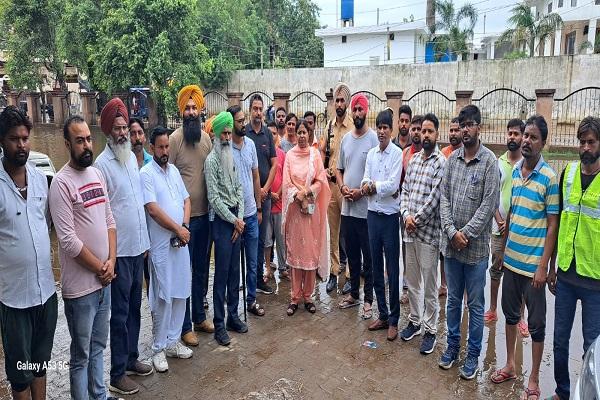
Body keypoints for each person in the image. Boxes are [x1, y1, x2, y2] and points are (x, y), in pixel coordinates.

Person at [49, 116, 118, 400]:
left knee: (100, 346)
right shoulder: (61, 184)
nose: (87, 145)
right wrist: (101, 268)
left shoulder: (97, 174)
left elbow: (110, 220)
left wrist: (111, 261)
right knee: (81, 355)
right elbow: (67, 241)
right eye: (80, 141)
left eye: (89, 139)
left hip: (105, 282)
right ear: (67, 144)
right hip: (80, 290)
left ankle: (99, 396)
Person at [491, 115, 559, 400]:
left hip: (533, 270)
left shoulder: (550, 178)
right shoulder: (516, 172)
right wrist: (502, 253)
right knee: (509, 316)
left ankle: (533, 379)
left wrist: (544, 266)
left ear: (543, 143)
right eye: (525, 136)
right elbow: (511, 216)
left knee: (536, 325)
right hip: (511, 262)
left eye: (533, 137)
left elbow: (553, 224)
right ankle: (510, 364)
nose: (527, 141)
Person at [95, 98, 153, 395]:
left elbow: (136, 204)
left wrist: (144, 243)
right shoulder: (100, 166)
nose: (122, 133)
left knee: (134, 308)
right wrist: (109, 256)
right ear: (107, 131)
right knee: (118, 315)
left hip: (137, 248)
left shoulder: (130, 157)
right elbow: (102, 217)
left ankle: (131, 359)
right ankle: (117, 374)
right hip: (118, 254)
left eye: (125, 128)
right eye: (117, 128)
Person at [438, 105, 499, 380]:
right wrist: (452, 233)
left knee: (475, 304)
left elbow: (488, 206)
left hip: (474, 252)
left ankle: (473, 354)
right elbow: (444, 199)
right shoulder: (451, 161)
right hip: (452, 248)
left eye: (470, 124)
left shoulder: (489, 162)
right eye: (462, 125)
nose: (465, 129)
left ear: (479, 127)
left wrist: (466, 235)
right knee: (452, 300)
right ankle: (452, 346)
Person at [0, 106, 57, 400]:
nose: (21, 145)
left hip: (45, 292)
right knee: (20, 374)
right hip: (13, 298)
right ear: (2, 140)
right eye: (14, 138)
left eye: (25, 138)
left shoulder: (39, 179)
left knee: (39, 365)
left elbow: (46, 224)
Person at [548, 116, 600, 400]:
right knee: (559, 342)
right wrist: (553, 265)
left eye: (591, 142)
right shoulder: (567, 174)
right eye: (582, 142)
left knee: (592, 348)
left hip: (595, 279)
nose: (585, 148)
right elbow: (557, 224)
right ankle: (563, 391)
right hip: (566, 273)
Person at [141, 126, 193, 373]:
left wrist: (184, 226)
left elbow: (186, 200)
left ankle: (173, 341)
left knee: (181, 291)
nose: (164, 151)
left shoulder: (173, 171)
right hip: (161, 246)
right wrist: (177, 229)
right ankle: (158, 348)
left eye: (166, 146)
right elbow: (152, 208)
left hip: (179, 243)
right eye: (160, 147)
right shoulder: (146, 174)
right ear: (152, 148)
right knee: (162, 296)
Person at [168, 85, 214, 348]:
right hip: (183, 223)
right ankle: (184, 326)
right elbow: (167, 178)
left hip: (205, 217)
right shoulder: (174, 140)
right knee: (183, 273)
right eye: (187, 107)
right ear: (181, 111)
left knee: (201, 270)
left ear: (200, 110)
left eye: (195, 107)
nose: (191, 111)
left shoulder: (206, 140)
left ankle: (199, 316)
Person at [400, 113, 446, 354]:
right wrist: (406, 214)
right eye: (422, 131)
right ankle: (415, 321)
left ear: (437, 134)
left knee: (430, 285)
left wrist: (414, 220)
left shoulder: (441, 163)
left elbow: (435, 199)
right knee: (412, 281)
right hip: (409, 233)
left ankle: (430, 329)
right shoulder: (415, 160)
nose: (424, 135)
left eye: (429, 131)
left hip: (427, 235)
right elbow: (405, 190)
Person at [484, 119, 529, 339]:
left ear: (523, 136)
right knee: (496, 268)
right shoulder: (498, 162)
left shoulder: (526, 164)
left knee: (519, 274)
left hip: (519, 229)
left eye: (516, 134)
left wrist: (511, 223)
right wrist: (500, 219)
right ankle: (493, 310)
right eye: (509, 133)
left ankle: (521, 318)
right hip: (498, 227)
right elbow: (491, 194)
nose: (512, 137)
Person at [204, 111, 246, 347]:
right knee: (220, 275)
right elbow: (214, 198)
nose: (228, 137)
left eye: (230, 133)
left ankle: (233, 317)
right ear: (216, 134)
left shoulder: (232, 157)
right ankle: (219, 324)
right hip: (221, 223)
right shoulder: (211, 161)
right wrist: (233, 221)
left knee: (234, 273)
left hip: (235, 221)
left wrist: (239, 220)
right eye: (224, 133)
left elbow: (239, 189)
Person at [360, 110, 402, 340]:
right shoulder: (372, 154)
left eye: (386, 127)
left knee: (392, 270)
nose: (382, 131)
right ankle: (383, 314)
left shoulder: (396, 154)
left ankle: (394, 319)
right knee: (375, 267)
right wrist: (370, 185)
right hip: (372, 216)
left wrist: (371, 187)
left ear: (391, 130)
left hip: (389, 217)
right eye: (379, 127)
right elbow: (364, 179)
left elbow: (392, 185)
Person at [336, 93, 378, 318]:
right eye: (355, 110)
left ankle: (369, 300)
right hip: (347, 208)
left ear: (367, 111)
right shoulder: (346, 140)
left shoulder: (373, 140)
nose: (357, 113)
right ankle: (354, 294)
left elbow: (376, 174)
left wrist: (361, 192)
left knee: (368, 256)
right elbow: (339, 169)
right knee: (351, 252)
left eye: (361, 109)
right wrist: (343, 188)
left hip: (366, 209)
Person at [283, 119, 331, 315]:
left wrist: (308, 192)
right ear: (295, 134)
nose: (302, 136)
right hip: (295, 211)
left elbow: (321, 181)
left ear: (309, 134)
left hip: (311, 212)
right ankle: (295, 297)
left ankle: (309, 296)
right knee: (296, 254)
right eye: (299, 132)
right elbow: (286, 183)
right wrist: (297, 195)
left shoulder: (315, 156)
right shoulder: (289, 155)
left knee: (310, 253)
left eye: (305, 132)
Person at [228, 105, 266, 316]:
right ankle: (233, 307)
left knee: (253, 262)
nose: (244, 124)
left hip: (251, 213)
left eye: (244, 120)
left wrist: (259, 207)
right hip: (233, 217)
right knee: (234, 266)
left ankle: (251, 300)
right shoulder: (225, 148)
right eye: (239, 121)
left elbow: (255, 176)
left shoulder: (250, 145)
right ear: (230, 123)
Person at [323, 82, 354, 294]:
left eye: (343, 100)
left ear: (348, 102)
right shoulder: (328, 126)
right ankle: (334, 272)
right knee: (333, 233)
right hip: (332, 187)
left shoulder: (353, 127)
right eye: (337, 100)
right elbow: (321, 152)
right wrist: (323, 170)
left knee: (350, 233)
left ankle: (351, 275)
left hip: (349, 189)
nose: (339, 104)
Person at [245, 94, 277, 295]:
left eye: (260, 109)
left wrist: (265, 189)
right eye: (255, 109)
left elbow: (274, 164)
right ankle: (248, 279)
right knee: (248, 240)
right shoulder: (245, 133)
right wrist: (256, 192)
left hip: (264, 197)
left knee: (260, 239)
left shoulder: (267, 134)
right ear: (250, 110)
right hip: (248, 197)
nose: (258, 113)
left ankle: (257, 280)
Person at [400, 114, 424, 304]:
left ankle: (421, 289)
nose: (416, 132)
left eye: (420, 129)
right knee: (407, 251)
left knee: (424, 253)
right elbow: (403, 185)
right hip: (407, 213)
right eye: (414, 129)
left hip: (425, 216)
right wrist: (405, 212)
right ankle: (407, 287)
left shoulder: (432, 156)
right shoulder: (406, 153)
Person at [264, 121, 288, 280]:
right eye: (269, 133)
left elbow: (286, 178)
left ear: (277, 135)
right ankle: (267, 268)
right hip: (266, 203)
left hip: (279, 204)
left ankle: (283, 267)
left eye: (274, 133)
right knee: (267, 240)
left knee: (280, 239)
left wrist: (277, 194)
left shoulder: (282, 154)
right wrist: (269, 193)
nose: (272, 136)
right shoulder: (263, 152)